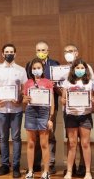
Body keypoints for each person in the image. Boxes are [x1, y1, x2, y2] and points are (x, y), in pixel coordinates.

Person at [0, 44, 28, 178]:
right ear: (2, 54)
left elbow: (24, 89)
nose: (9, 54)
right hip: (0, 109)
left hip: (16, 109)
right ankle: (5, 164)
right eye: (7, 52)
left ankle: (16, 166)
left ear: (15, 54)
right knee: (2, 138)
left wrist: (20, 99)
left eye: (11, 51)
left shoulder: (21, 70)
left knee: (16, 138)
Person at [25, 41, 60, 174]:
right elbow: (26, 93)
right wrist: (25, 98)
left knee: (48, 137)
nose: (41, 52)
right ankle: (34, 165)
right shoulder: (29, 67)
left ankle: (49, 166)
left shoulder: (54, 65)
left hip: (47, 109)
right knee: (33, 140)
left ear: (48, 51)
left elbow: (56, 90)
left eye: (43, 50)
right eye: (38, 50)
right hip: (32, 110)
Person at [61, 44, 94, 177]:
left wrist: (92, 100)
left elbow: (93, 98)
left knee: (85, 143)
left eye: (82, 68)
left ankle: (87, 171)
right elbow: (63, 99)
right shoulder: (67, 82)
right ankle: (69, 171)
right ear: (73, 69)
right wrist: (64, 101)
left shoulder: (90, 83)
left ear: (86, 70)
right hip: (71, 115)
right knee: (72, 143)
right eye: (77, 68)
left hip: (85, 115)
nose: (79, 70)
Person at [23, 58, 54, 179]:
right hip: (30, 112)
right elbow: (24, 100)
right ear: (31, 70)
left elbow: (52, 101)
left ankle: (46, 172)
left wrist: (50, 118)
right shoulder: (28, 83)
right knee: (30, 143)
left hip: (44, 112)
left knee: (44, 144)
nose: (36, 70)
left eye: (38, 68)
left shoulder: (48, 82)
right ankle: (30, 171)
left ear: (43, 68)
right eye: (34, 68)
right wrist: (25, 100)